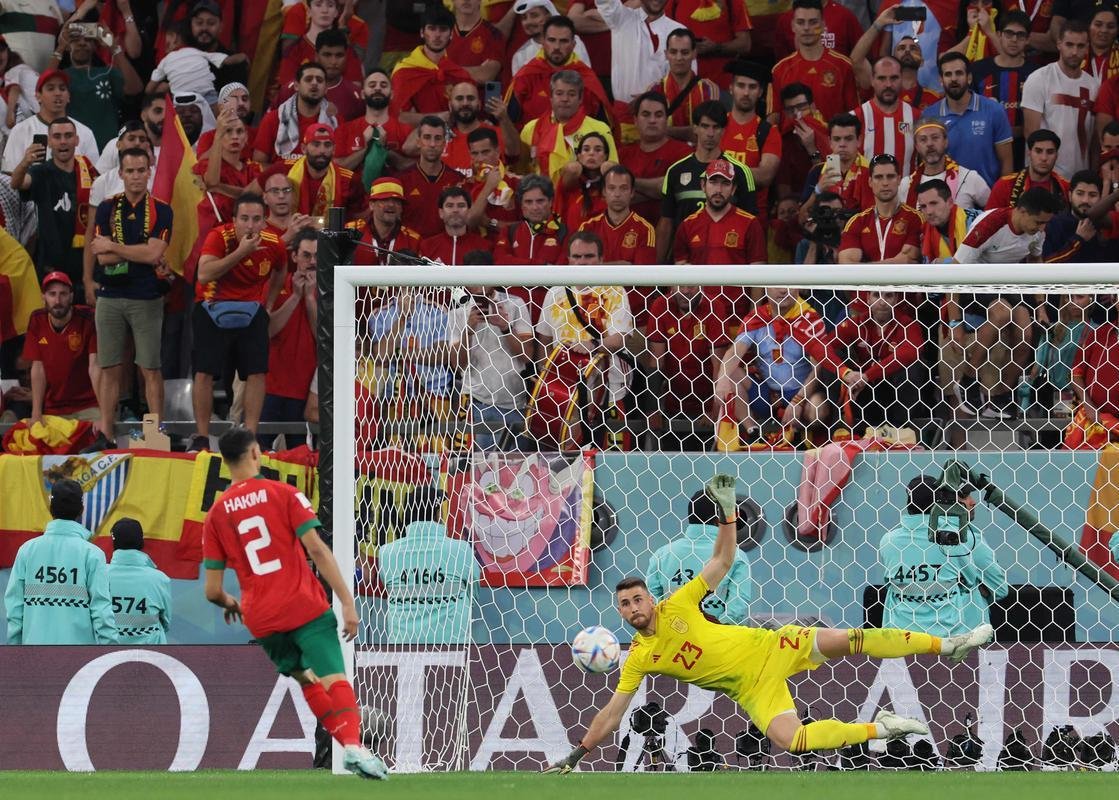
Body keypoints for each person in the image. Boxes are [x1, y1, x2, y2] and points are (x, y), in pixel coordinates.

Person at [542, 475, 995, 771]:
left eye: (638, 598)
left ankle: (947, 644)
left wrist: (727, 512)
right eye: (625, 604)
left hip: (772, 646)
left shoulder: (677, 605)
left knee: (852, 638)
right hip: (752, 689)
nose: (634, 607)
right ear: (620, 613)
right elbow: (612, 713)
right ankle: (884, 727)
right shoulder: (640, 658)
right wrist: (578, 753)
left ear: (650, 599)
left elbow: (722, 561)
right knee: (793, 740)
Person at [202, 426, 388, 779]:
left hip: (261, 618)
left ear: (225, 461)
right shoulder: (284, 494)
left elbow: (212, 591)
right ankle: (353, 745)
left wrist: (230, 603)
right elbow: (317, 549)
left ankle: (352, 749)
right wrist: (347, 602)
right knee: (335, 679)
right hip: (302, 606)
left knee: (306, 679)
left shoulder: (216, 515)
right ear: (255, 453)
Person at [85, 147, 172, 451]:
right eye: (130, 171)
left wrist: (115, 246)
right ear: (120, 174)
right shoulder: (107, 208)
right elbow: (102, 257)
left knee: (150, 368)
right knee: (109, 367)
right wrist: (137, 251)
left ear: (150, 172)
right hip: (109, 296)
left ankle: (155, 436)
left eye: (141, 170)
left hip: (146, 297)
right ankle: (106, 434)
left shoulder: (162, 210)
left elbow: (154, 253)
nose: (136, 176)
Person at [191, 193, 287, 450]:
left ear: (265, 221)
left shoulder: (274, 243)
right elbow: (204, 274)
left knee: (257, 372)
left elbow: (281, 269)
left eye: (256, 219)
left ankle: (250, 435)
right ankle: (201, 436)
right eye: (244, 219)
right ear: (233, 220)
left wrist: (268, 304)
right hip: (212, 305)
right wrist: (241, 252)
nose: (250, 225)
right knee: (204, 372)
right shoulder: (219, 237)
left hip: (251, 309)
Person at [880, 475, 1008, 636]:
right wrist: (969, 585)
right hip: (956, 637)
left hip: (901, 636)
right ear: (943, 503)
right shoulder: (964, 539)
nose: (973, 502)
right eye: (964, 497)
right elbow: (1000, 589)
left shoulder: (888, 542)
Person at [4, 478, 117, 645]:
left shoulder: (27, 550)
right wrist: (111, 651)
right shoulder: (93, 555)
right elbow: (102, 611)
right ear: (81, 510)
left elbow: (15, 608)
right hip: (79, 657)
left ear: (51, 508)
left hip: (33, 653)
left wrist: (15, 651)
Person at [377, 485, 481, 642]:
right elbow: (474, 595)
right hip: (452, 648)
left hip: (402, 648)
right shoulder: (460, 550)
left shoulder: (387, 553)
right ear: (438, 514)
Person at [657, 100, 756, 262]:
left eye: (716, 127)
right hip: (684, 262)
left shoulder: (740, 172)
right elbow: (666, 221)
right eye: (705, 126)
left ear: (724, 130)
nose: (710, 133)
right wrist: (657, 268)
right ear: (695, 128)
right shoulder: (675, 171)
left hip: (727, 261)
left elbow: (750, 225)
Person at [10, 116, 97, 291]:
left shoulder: (89, 171)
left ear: (77, 140)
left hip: (85, 265)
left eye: (68, 136)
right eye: (57, 136)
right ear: (49, 142)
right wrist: (25, 162)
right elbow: (16, 183)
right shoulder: (40, 172)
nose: (63, 141)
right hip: (51, 265)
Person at [448, 277, 533, 451]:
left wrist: (505, 327)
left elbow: (527, 355)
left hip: (516, 402)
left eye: (483, 278)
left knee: (516, 466)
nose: (478, 285)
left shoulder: (515, 304)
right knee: (480, 465)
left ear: (493, 278)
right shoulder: (457, 312)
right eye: (473, 279)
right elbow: (458, 365)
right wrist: (469, 330)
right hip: (477, 403)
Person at [645, 487, 753, 624]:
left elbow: (650, 604)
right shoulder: (736, 556)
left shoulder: (661, 555)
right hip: (718, 636)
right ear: (719, 518)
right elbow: (737, 608)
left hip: (672, 634)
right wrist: (712, 632)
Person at [827, 290, 924, 429]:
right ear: (868, 298)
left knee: (912, 367)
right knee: (831, 360)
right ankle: (839, 425)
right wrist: (847, 373)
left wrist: (867, 376)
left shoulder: (908, 324)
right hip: (862, 392)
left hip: (894, 393)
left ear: (896, 299)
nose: (882, 302)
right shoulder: (856, 323)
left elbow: (911, 352)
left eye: (888, 296)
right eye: (877, 295)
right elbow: (825, 347)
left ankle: (901, 429)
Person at [1022, 20, 1100, 180]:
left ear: (1087, 47)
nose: (1074, 52)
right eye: (1069, 45)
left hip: (1080, 179)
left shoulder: (1094, 86)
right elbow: (1031, 133)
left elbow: (1095, 141)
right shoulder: (1039, 79)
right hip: (1044, 177)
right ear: (1059, 44)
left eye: (1080, 46)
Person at [21, 271, 99, 425]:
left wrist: (104, 411)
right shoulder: (37, 319)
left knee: (101, 435)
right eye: (52, 294)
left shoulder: (88, 317)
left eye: (63, 294)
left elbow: (95, 367)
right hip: (53, 409)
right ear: (43, 297)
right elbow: (38, 368)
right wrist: (36, 413)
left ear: (71, 296)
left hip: (88, 405)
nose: (57, 300)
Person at [262, 228, 318, 445]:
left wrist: (310, 299)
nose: (312, 261)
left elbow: (326, 340)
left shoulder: (330, 290)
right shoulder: (275, 285)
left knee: (301, 456)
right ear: (294, 256)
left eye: (317, 256)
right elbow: (268, 331)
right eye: (306, 255)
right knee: (259, 451)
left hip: (306, 391)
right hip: (271, 386)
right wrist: (295, 296)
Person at [925, 53, 1014, 187]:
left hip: (987, 195)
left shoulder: (994, 111)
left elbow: (1006, 162)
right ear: (941, 80)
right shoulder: (929, 116)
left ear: (969, 78)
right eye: (948, 74)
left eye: (959, 73)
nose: (954, 79)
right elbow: (927, 163)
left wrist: (1001, 196)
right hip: (945, 196)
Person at [57, 19, 142, 150]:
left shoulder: (107, 72)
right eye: (76, 39)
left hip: (108, 149)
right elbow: (42, 92)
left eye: (88, 39)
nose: (82, 43)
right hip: (74, 150)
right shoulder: (61, 76)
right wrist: (60, 47)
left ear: (95, 46)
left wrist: (114, 47)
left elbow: (135, 88)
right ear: (69, 45)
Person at [519, 69, 616, 183]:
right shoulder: (531, 128)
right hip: (539, 192)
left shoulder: (600, 129)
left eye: (571, 94)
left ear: (580, 99)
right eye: (559, 93)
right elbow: (521, 169)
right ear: (551, 97)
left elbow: (612, 171)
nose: (565, 99)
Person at [506, 15, 608, 124]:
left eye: (564, 41)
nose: (557, 47)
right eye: (551, 40)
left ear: (573, 45)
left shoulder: (587, 79)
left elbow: (604, 127)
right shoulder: (525, 76)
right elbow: (508, 121)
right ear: (543, 42)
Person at [770, 0, 858, 123]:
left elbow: (854, 115)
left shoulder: (843, 66)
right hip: (792, 136)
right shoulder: (779, 70)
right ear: (793, 26)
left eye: (813, 22)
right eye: (800, 22)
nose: (806, 28)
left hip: (833, 135)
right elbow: (774, 118)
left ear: (823, 25)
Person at [970, 10, 1038, 167]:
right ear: (999, 35)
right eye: (1009, 33)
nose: (1014, 40)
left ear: (1028, 39)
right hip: (984, 152)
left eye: (1020, 35)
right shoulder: (977, 70)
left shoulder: (1037, 74)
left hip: (1025, 155)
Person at [1, 69, 99, 172]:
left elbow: (94, 176)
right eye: (50, 88)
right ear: (38, 96)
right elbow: (9, 175)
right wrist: (25, 163)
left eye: (62, 89)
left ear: (68, 96)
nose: (58, 93)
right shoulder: (20, 130)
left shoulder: (85, 132)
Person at [390, 5, 472, 125]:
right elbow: (397, 116)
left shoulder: (459, 74)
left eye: (443, 29)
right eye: (432, 28)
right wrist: (436, 117)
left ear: (451, 34)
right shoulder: (403, 72)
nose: (437, 35)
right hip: (417, 134)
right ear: (422, 32)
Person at [721, 60, 781, 221]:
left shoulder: (769, 131)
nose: (746, 92)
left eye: (752, 87)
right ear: (731, 88)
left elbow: (765, 175)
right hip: (716, 215)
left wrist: (718, 172)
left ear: (760, 92)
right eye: (741, 86)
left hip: (753, 219)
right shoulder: (717, 126)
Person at [617, 91, 691, 223]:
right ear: (635, 120)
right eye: (646, 114)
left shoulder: (683, 152)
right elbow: (613, 196)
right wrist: (657, 191)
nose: (652, 120)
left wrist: (627, 183)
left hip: (669, 230)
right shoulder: (622, 155)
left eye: (658, 115)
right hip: (626, 230)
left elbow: (671, 188)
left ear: (666, 120)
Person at [837, 153, 922, 264]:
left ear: (899, 180)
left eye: (890, 177)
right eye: (878, 177)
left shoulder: (915, 218)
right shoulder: (857, 222)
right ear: (870, 182)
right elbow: (846, 264)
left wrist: (864, 266)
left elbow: (906, 261)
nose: (885, 183)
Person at [594, 0, 681, 104]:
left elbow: (685, 81)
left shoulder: (679, 31)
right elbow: (605, 2)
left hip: (666, 110)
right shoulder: (621, 19)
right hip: (624, 110)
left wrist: (654, 98)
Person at [332, 68, 414, 175]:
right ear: (362, 94)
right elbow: (335, 169)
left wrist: (386, 152)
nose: (378, 88)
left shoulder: (406, 130)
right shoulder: (344, 130)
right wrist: (366, 150)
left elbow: (417, 166)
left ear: (392, 94)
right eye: (372, 85)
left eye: (383, 85)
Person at [253, 62, 336, 165]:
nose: (314, 83)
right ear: (296, 86)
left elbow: (336, 164)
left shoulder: (335, 121)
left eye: (319, 80)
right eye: (308, 79)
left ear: (326, 89)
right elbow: (258, 164)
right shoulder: (273, 119)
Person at [146, 20, 244, 108]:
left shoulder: (165, 61)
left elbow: (149, 89)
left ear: (174, 37)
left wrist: (160, 89)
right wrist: (243, 56)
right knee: (218, 117)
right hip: (207, 97)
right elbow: (228, 60)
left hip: (182, 102)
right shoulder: (198, 53)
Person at [395, 116, 465, 238]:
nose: (432, 144)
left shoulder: (458, 180)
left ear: (444, 143)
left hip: (444, 247)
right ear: (418, 142)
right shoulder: (401, 180)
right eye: (427, 137)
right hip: (409, 247)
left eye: (437, 138)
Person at [106, 517, 172, 645]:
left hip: (104, 653)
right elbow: (166, 623)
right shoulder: (160, 579)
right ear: (141, 542)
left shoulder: (97, 574)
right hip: (151, 653)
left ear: (114, 542)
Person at [898, 118, 990, 210]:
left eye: (935, 137)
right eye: (923, 139)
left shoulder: (969, 178)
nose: (929, 143)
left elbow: (993, 211)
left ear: (946, 142)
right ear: (917, 146)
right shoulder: (906, 185)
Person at [651, 29, 721, 140]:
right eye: (673, 52)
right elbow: (650, 133)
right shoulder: (654, 89)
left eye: (685, 52)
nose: (679, 58)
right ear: (666, 54)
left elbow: (708, 133)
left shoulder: (708, 88)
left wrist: (664, 130)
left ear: (694, 54)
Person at [852, 56, 919, 172]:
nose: (888, 84)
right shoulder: (855, 117)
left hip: (906, 184)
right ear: (872, 80)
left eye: (894, 78)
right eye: (882, 78)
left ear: (902, 79)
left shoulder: (917, 117)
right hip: (865, 184)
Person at [986, 129, 1070, 209]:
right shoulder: (1005, 185)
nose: (1044, 158)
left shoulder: (1066, 187)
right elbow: (989, 218)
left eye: (1050, 152)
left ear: (1056, 156)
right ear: (1029, 153)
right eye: (1038, 151)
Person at [1043, 171, 1110, 262]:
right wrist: (1078, 239)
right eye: (1080, 193)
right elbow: (1047, 263)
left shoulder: (1107, 226)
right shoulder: (1053, 225)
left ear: (1100, 198)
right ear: (1070, 196)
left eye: (1092, 195)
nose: (1085, 200)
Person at [419, 185, 493, 265]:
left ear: (469, 211)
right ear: (441, 213)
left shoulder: (485, 247)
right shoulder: (427, 247)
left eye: (461, 205)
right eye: (449, 206)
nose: (455, 210)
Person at [447, 0, 505, 84]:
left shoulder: (493, 34)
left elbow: (485, 75)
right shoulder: (440, 30)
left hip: (475, 92)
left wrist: (444, 71)